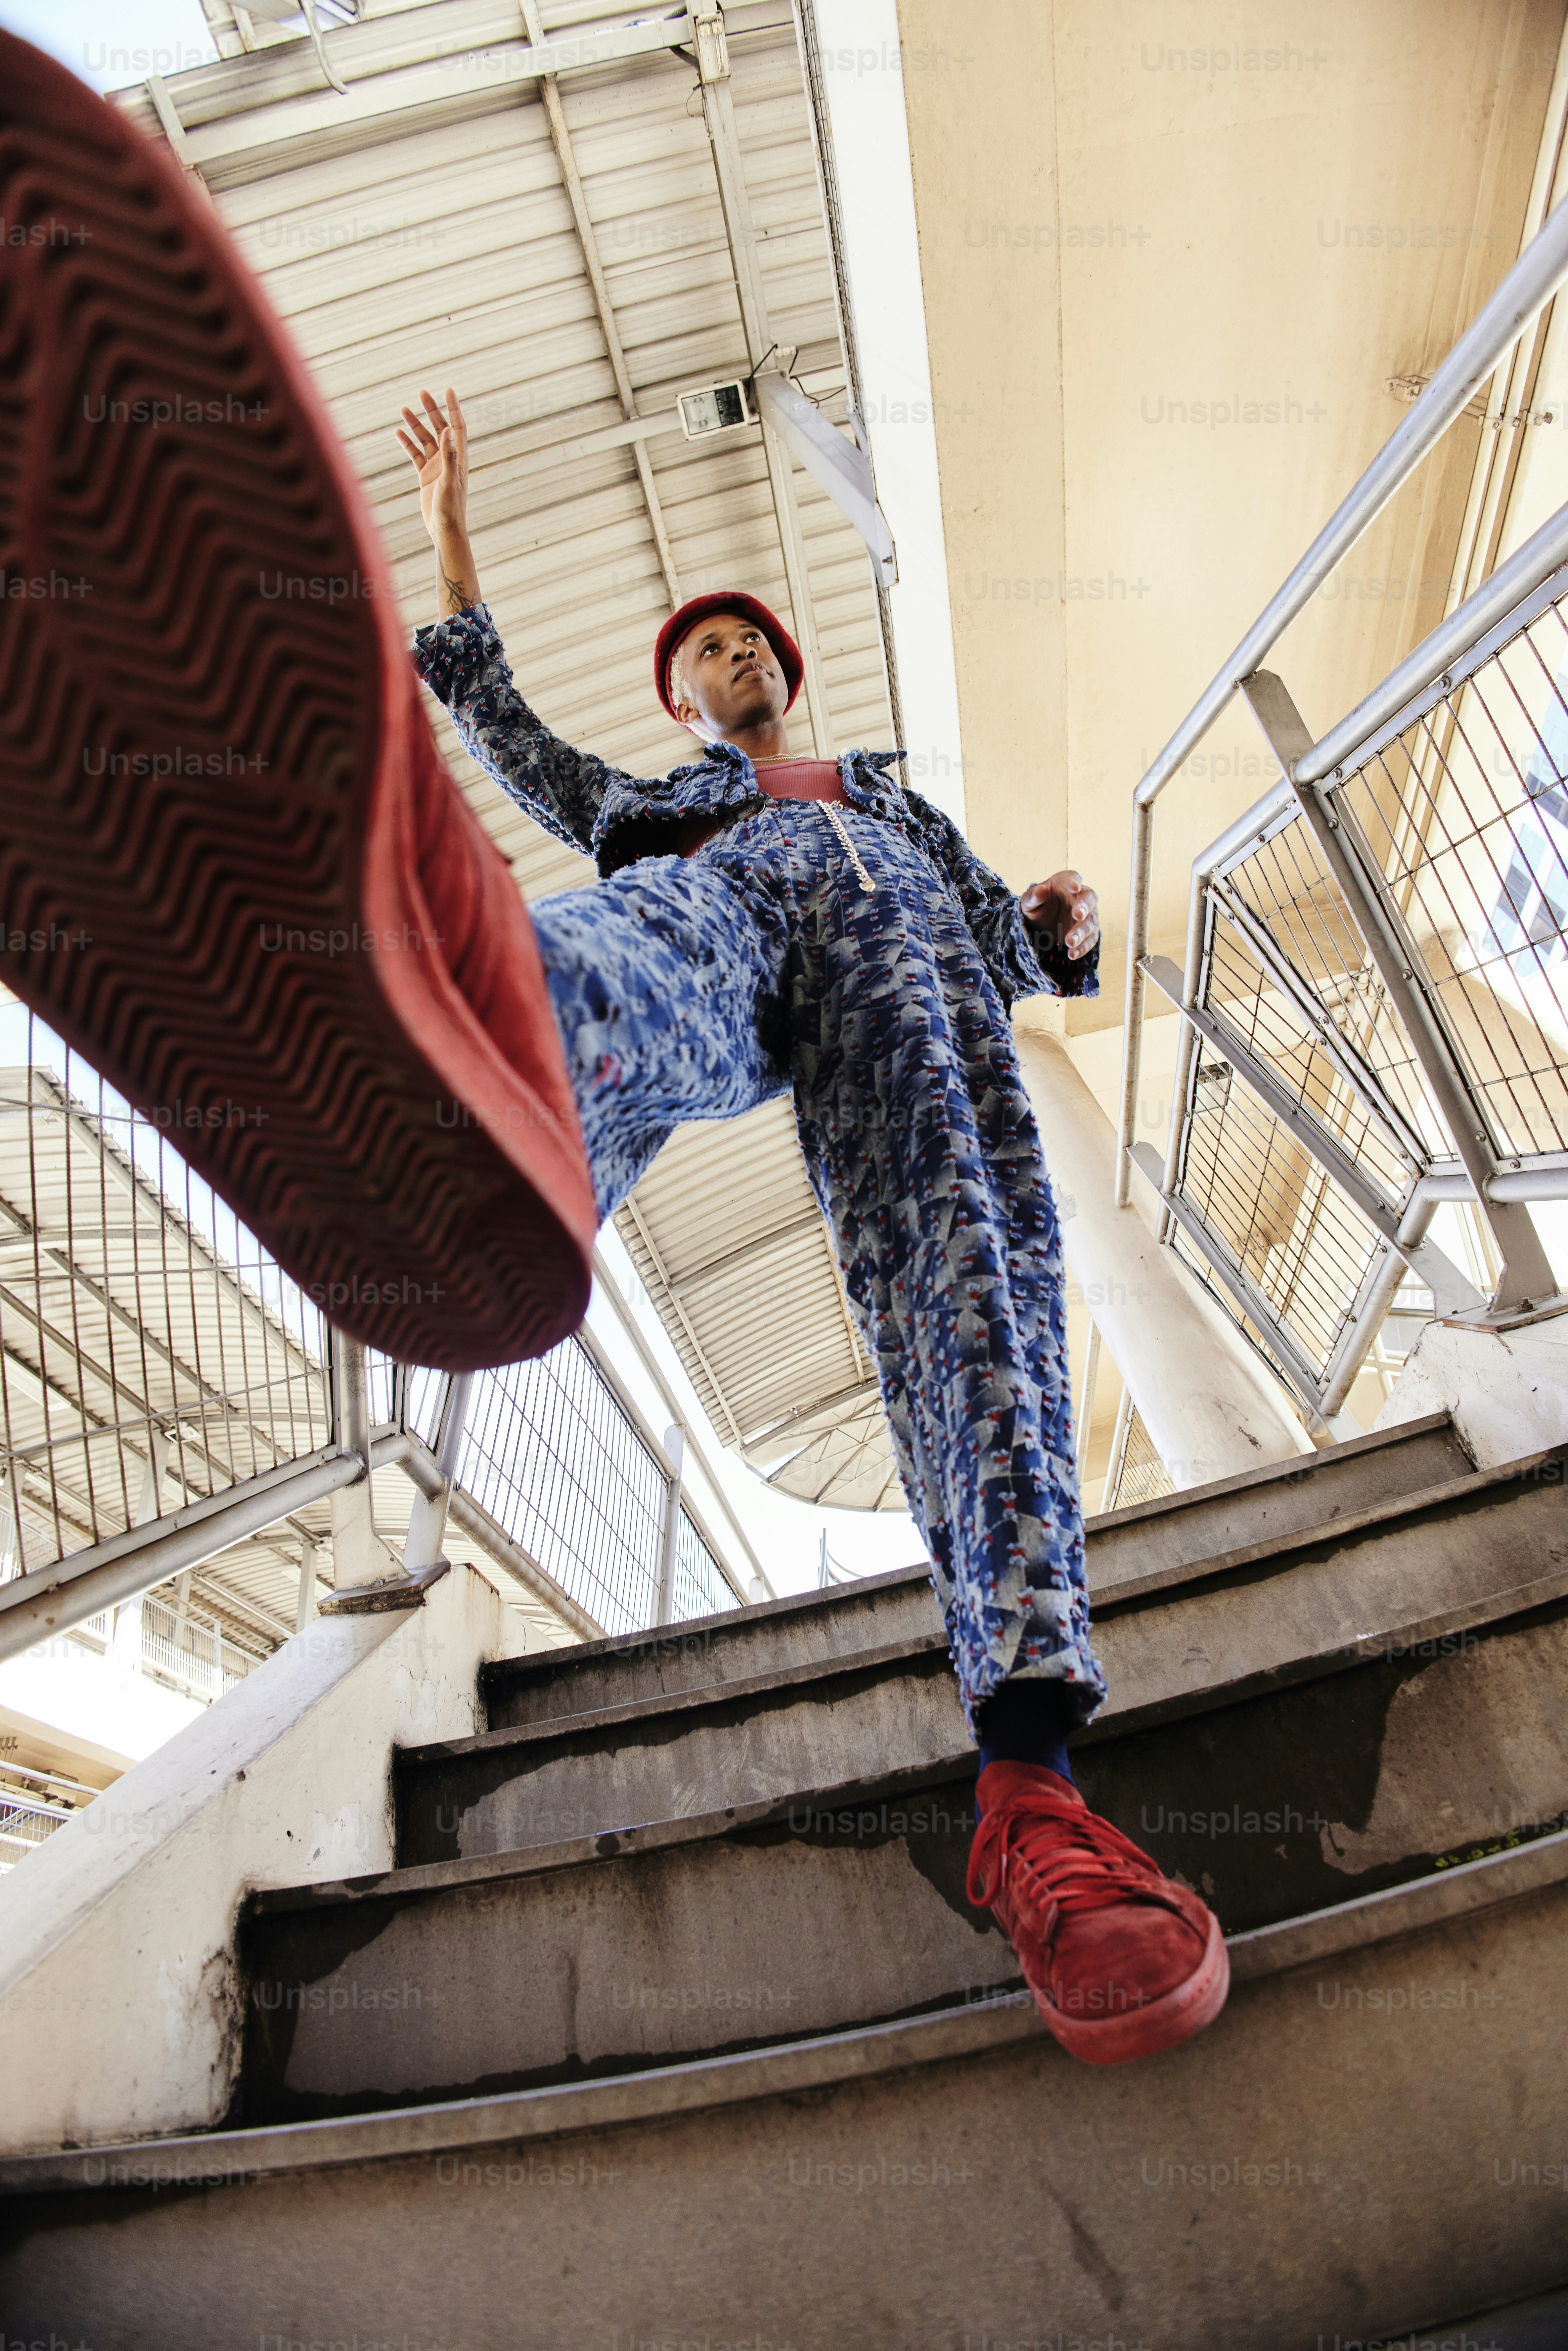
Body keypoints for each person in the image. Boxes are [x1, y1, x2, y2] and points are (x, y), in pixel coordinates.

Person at [395, 387, 1230, 2068]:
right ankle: (474, 1084)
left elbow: (1014, 950)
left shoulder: (899, 807)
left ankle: (1032, 1795)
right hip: (730, 923)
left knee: (981, 1319)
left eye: (746, 643)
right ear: (687, 703)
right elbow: (510, 732)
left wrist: (1057, 927)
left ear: (785, 671)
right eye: (703, 655)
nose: (731, 660)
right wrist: (451, 534)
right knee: (636, 942)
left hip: (918, 1032)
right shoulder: (665, 805)